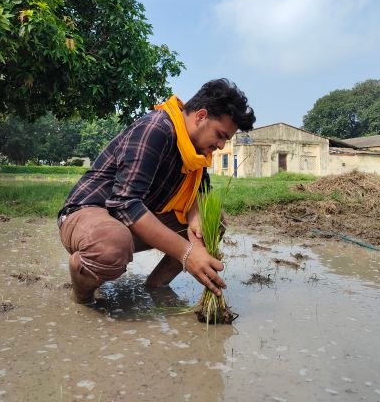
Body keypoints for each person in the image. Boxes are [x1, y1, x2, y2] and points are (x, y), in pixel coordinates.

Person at [58, 78, 255, 304]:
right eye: (220, 135)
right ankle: (83, 296)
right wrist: (187, 253)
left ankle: (155, 288)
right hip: (89, 213)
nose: (221, 146)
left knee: (214, 221)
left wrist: (197, 220)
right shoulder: (155, 129)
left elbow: (201, 192)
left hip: (129, 221)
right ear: (201, 116)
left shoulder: (196, 153)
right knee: (111, 246)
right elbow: (125, 204)